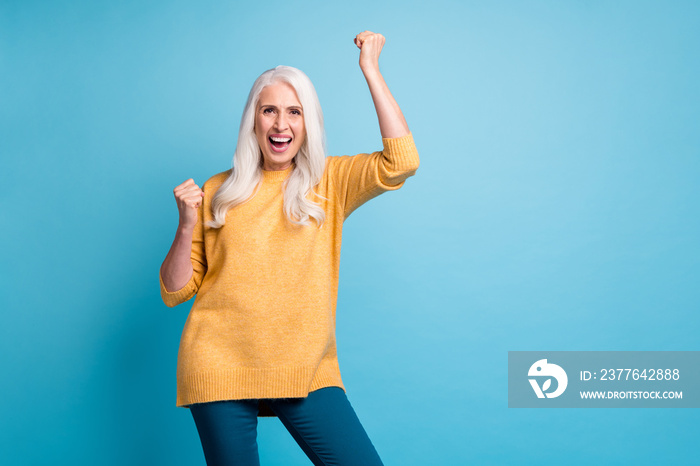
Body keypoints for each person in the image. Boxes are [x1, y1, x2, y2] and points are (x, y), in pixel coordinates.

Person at [159, 31, 419, 466]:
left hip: (305, 367)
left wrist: (371, 71)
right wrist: (186, 224)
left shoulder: (330, 183)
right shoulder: (219, 189)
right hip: (219, 363)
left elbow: (402, 161)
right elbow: (175, 290)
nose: (281, 124)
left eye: (294, 112)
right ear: (253, 121)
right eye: (270, 111)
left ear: (308, 122)